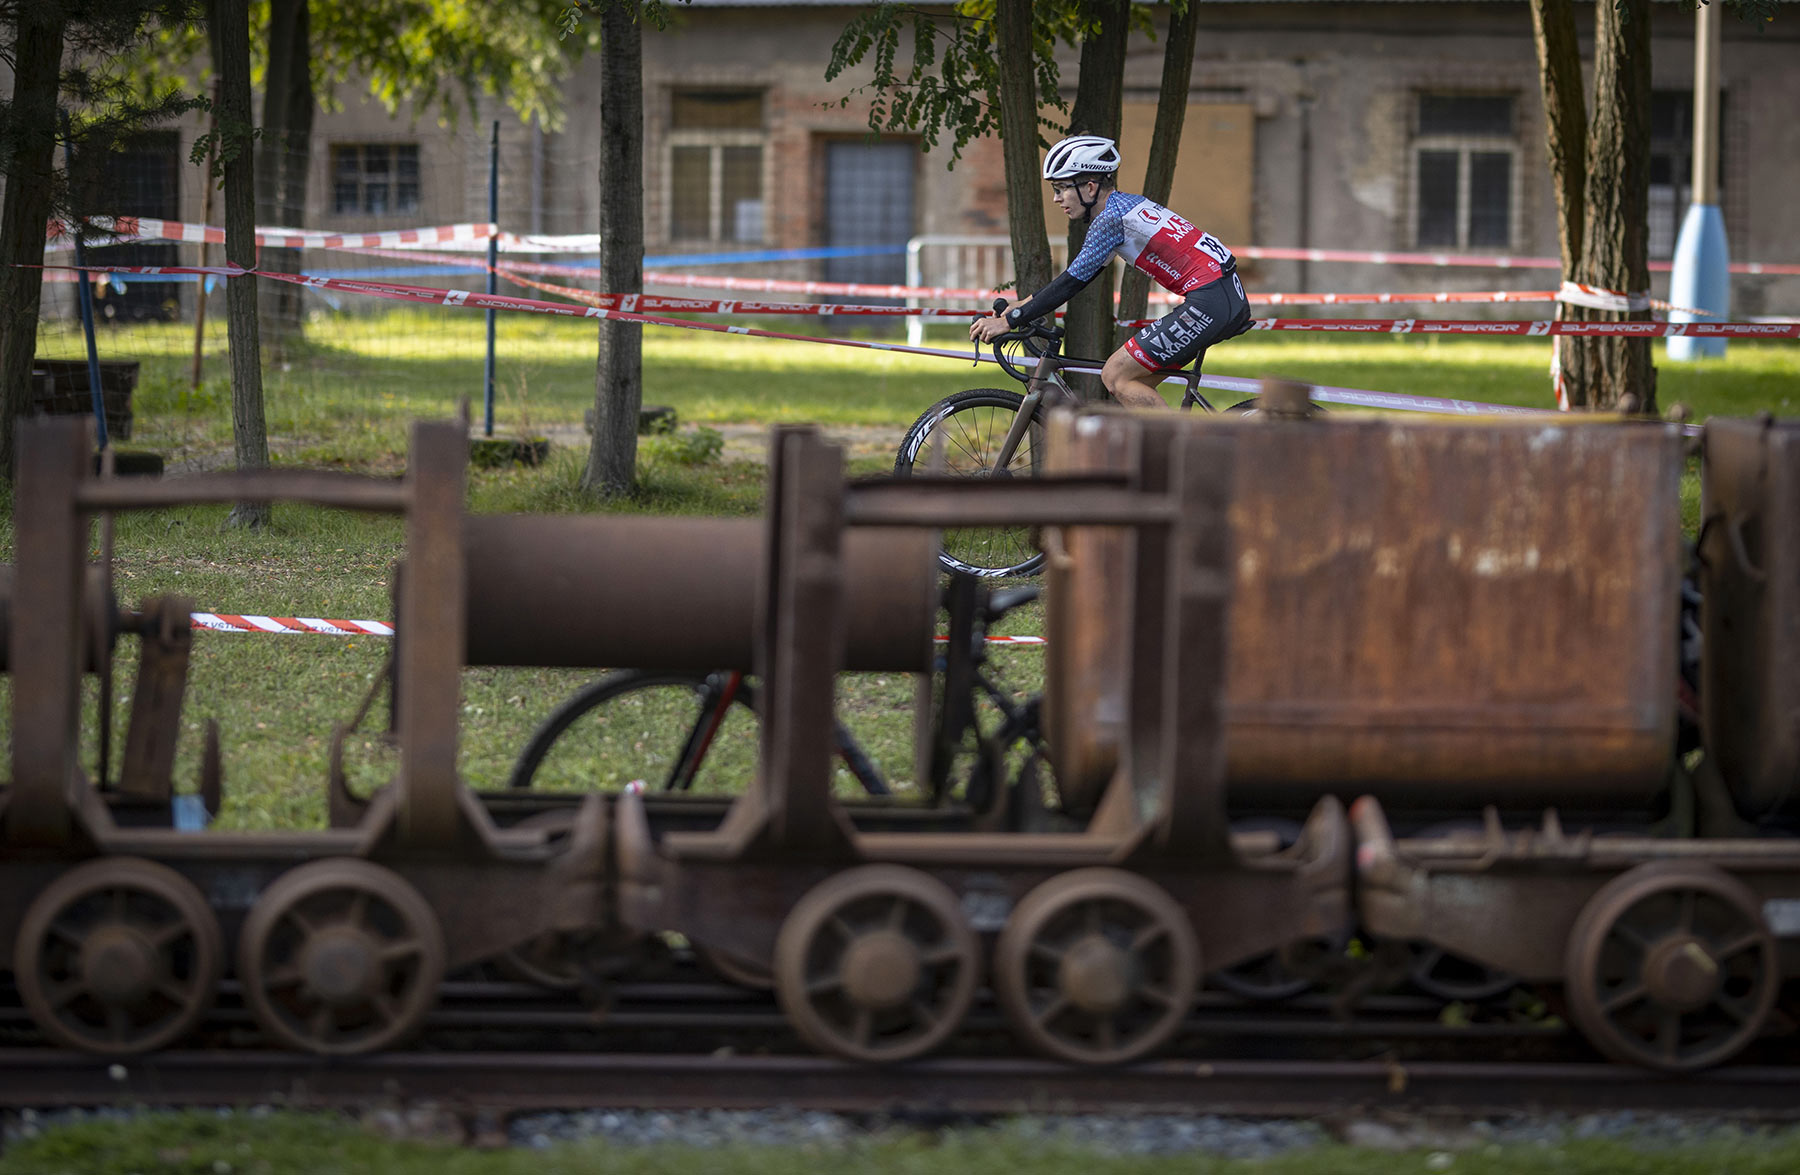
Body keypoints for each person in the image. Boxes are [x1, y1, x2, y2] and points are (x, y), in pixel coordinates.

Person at [969, 134, 1254, 409]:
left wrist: (1011, 320)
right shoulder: (1126, 206)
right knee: (1132, 384)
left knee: (1115, 375)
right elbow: (1078, 274)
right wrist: (1022, 304)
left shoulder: (1111, 220)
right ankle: (1162, 454)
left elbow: (1071, 283)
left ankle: (1176, 456)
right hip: (1223, 296)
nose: (1057, 198)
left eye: (1061, 188)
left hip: (1210, 301)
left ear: (1090, 188)